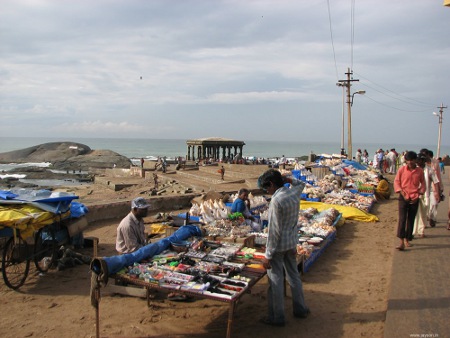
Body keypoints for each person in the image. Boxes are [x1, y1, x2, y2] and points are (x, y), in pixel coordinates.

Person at [258, 169, 310, 326]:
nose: (267, 191)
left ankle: (277, 317)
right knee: (294, 276)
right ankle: (300, 309)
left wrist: (268, 255)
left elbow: (274, 231)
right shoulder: (293, 193)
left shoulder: (276, 201)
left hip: (279, 247)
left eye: (267, 188)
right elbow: (302, 183)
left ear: (272, 184)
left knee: (276, 282)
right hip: (291, 243)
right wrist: (289, 179)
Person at [393, 151, 426, 250]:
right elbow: (397, 182)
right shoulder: (402, 170)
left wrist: (419, 193)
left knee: (411, 220)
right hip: (403, 197)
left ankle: (408, 239)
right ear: (405, 160)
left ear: (416, 160)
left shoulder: (419, 171)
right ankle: (401, 241)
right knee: (402, 219)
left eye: (412, 160)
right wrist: (402, 193)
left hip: (414, 198)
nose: (410, 162)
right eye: (408, 160)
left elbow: (423, 183)